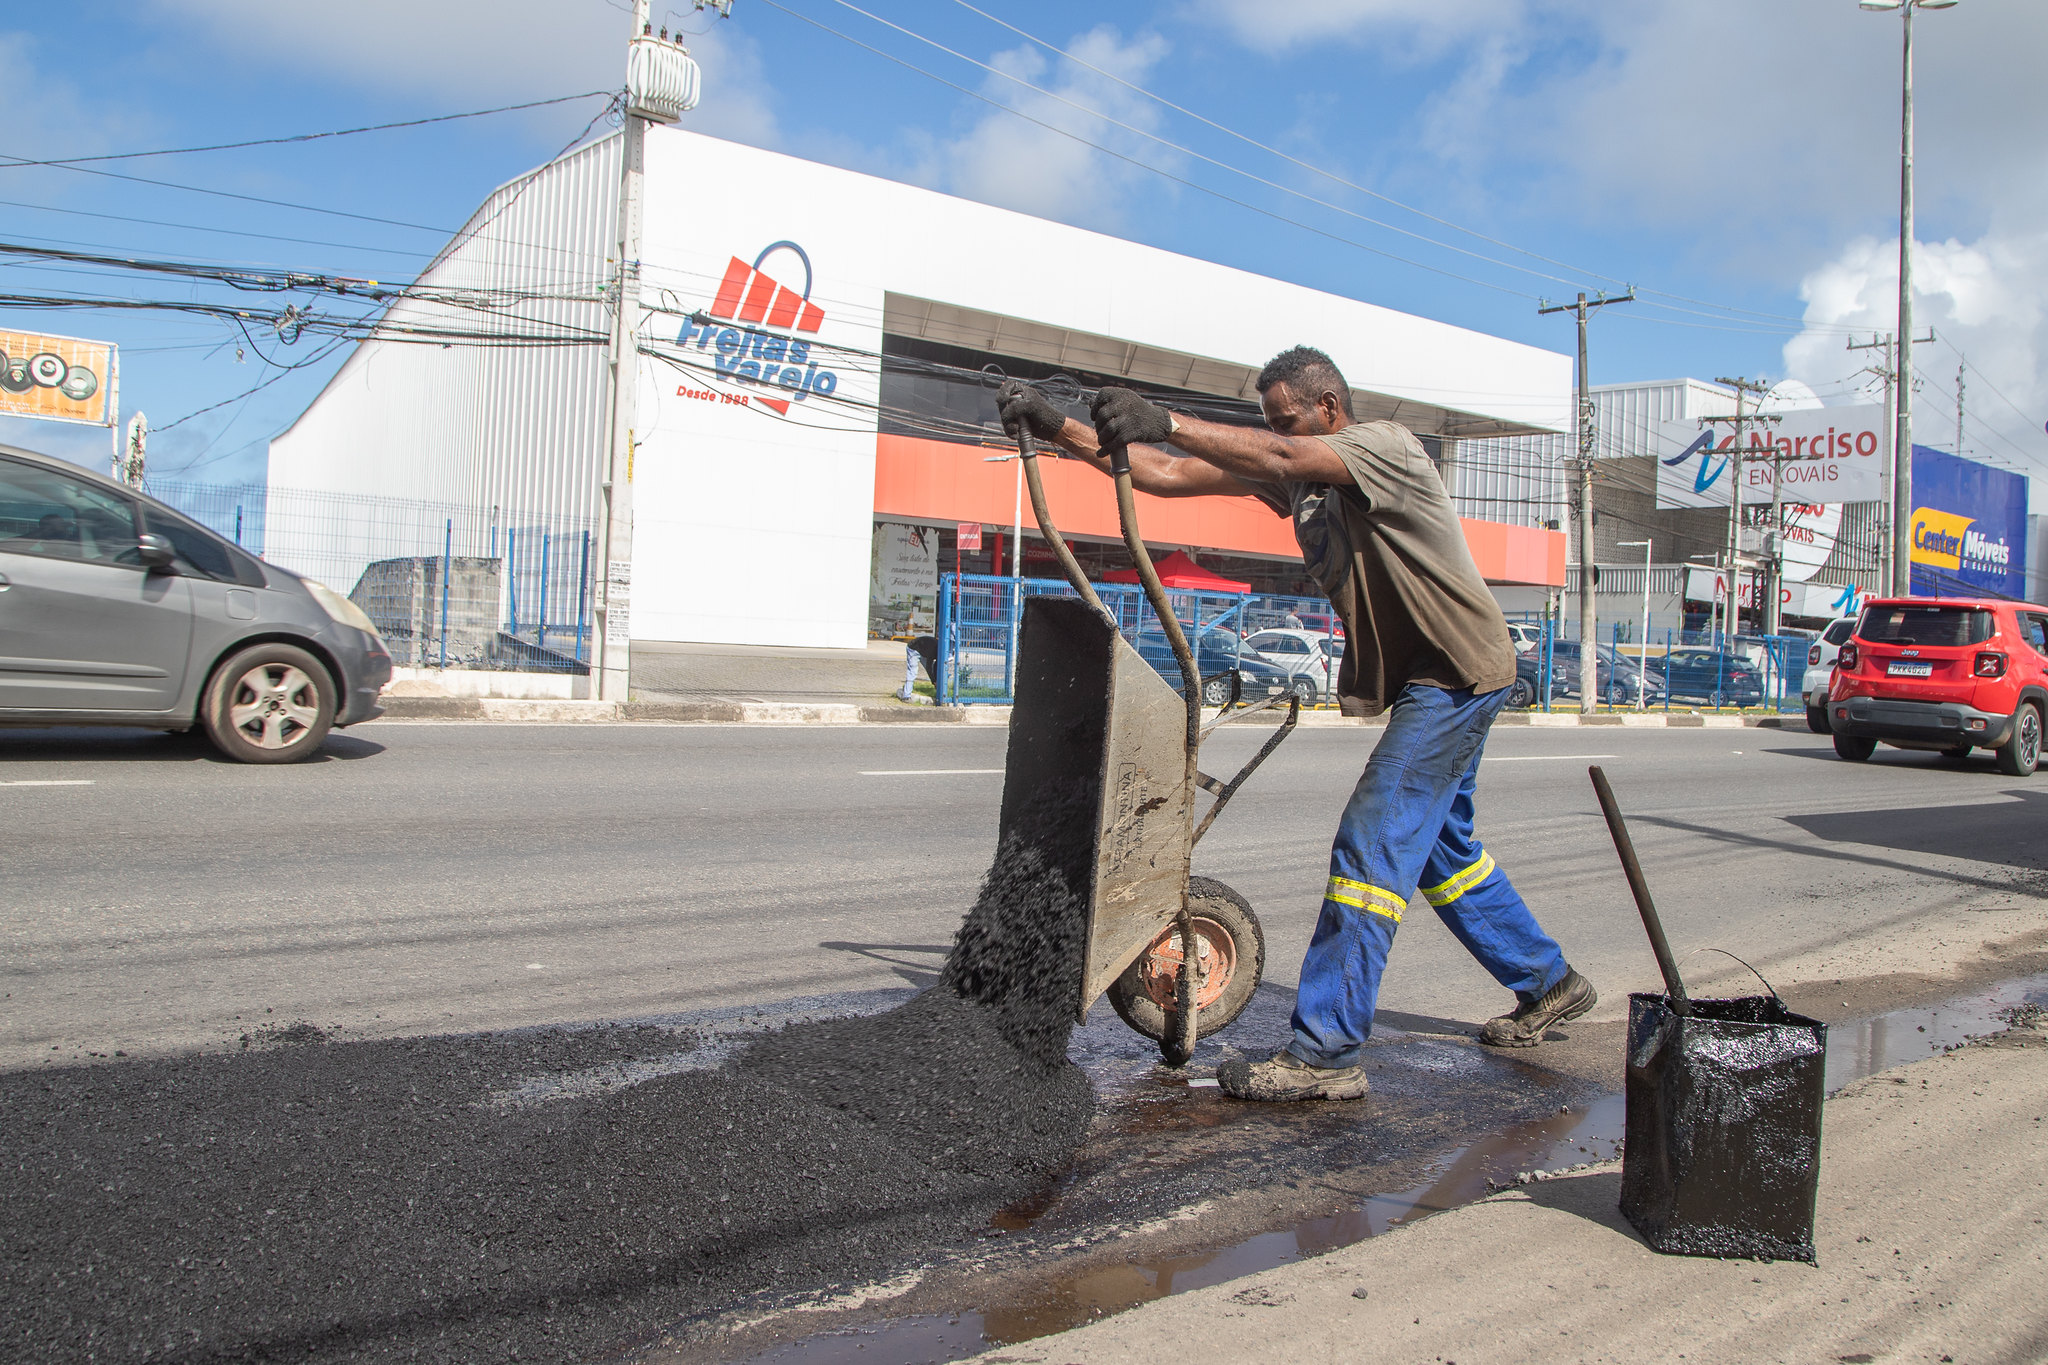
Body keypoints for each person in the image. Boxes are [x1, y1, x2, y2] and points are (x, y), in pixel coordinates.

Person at [997, 348, 1595, 1103]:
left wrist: (1171, 418)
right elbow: (1167, 473)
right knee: (1442, 850)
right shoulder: (1303, 482)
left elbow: (1272, 451)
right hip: (1428, 678)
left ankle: (1326, 1052)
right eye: (1270, 421)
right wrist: (1059, 428)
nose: (1275, 434)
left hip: (1456, 671)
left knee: (1373, 840)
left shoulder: (1389, 448)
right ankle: (1549, 981)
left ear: (1329, 412)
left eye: (1287, 420)